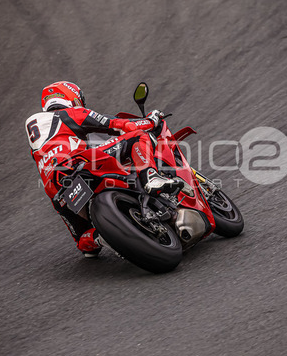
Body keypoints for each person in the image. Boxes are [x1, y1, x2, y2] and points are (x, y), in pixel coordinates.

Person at [25, 81, 182, 257]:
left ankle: (101, 238)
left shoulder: (37, 135)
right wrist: (151, 119)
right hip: (79, 163)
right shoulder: (70, 113)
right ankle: (150, 177)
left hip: (55, 187)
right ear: (72, 98)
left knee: (85, 245)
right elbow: (119, 124)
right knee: (138, 136)